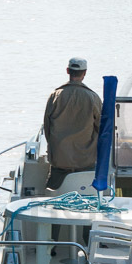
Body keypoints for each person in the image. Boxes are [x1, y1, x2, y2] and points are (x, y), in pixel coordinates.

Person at [43, 57, 102, 191]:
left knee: (53, 194)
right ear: (85, 73)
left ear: (68, 70)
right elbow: (101, 127)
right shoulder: (93, 97)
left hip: (60, 160)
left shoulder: (55, 95)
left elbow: (47, 127)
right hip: (85, 161)